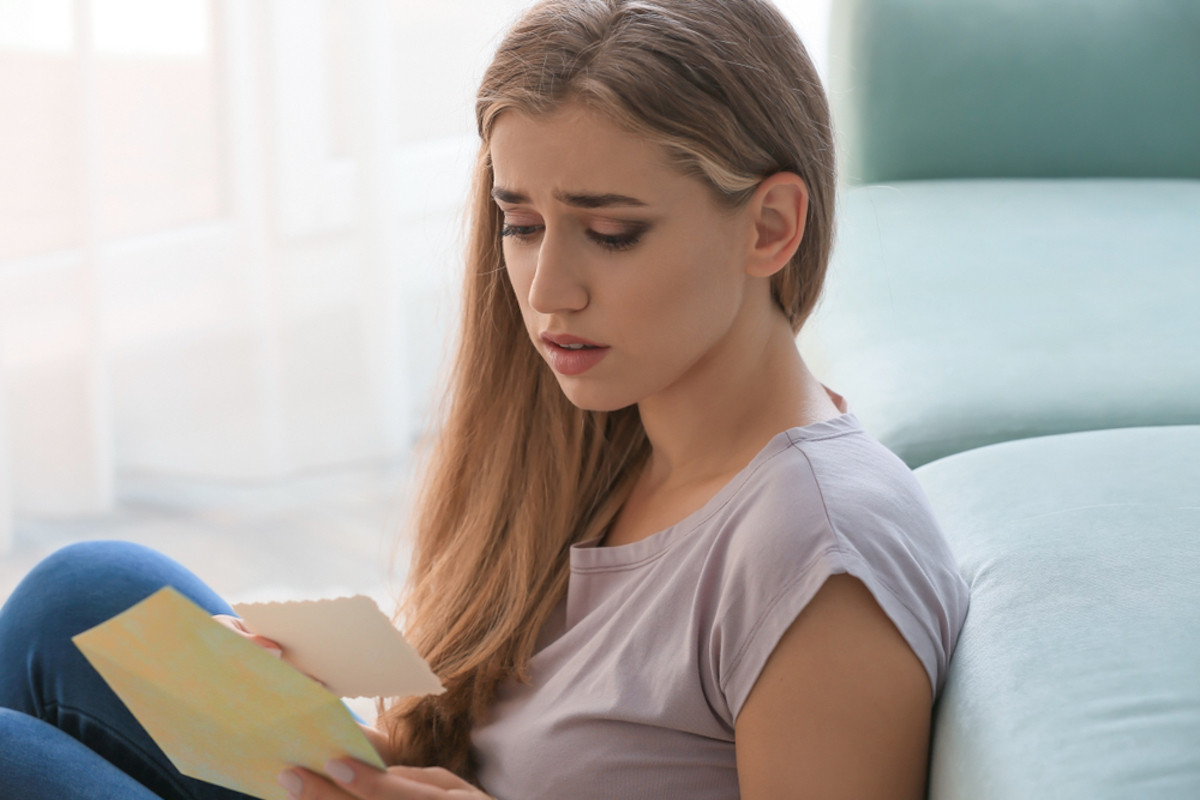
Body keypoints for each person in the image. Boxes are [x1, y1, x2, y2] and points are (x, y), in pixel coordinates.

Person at [0, 0, 969, 798]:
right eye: (521, 223)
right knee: (86, 590)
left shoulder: (818, 557)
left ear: (770, 224)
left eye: (612, 232)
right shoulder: (612, 442)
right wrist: (351, 741)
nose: (548, 289)